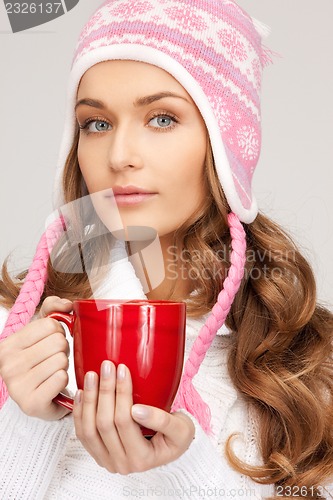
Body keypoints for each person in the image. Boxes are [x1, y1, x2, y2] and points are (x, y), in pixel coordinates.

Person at [0, 0, 332, 498]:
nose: (119, 156)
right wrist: (30, 422)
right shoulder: (16, 331)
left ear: (224, 145)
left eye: (160, 119)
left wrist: (185, 468)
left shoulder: (306, 369)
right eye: (96, 123)